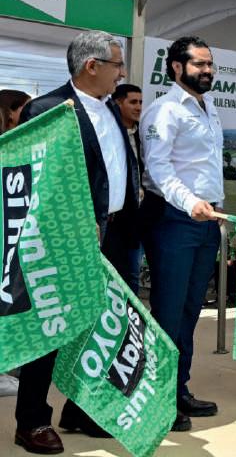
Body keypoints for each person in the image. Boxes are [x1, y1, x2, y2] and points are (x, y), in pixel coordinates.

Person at [13, 32, 141, 453]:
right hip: (68, 237)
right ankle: (32, 420)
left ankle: (81, 410)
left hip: (116, 233)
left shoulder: (110, 108)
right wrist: (78, 223)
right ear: (92, 66)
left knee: (102, 325)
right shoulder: (48, 109)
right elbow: (37, 180)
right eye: (117, 64)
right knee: (53, 327)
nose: (122, 72)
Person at [140, 35, 225, 429]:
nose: (207, 70)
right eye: (199, 64)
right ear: (177, 67)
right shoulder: (164, 110)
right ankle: (156, 397)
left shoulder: (208, 108)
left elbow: (205, 166)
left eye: (210, 64)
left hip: (206, 222)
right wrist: (191, 202)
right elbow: (158, 169)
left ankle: (178, 388)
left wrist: (214, 206)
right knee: (168, 312)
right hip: (174, 219)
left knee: (191, 309)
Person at [107, 83, 146, 294]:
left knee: (132, 273)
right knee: (114, 274)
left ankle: (130, 313)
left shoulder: (143, 135)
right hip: (114, 219)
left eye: (140, 102)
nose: (138, 107)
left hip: (138, 218)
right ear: (118, 103)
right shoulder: (109, 134)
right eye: (133, 102)